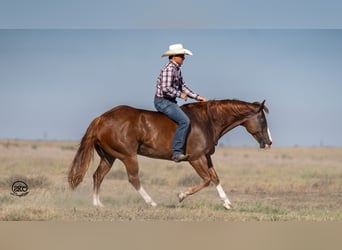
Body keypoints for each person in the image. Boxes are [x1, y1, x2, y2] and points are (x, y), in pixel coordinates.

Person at [154, 44, 206, 162]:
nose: (184, 58)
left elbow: (183, 86)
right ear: (174, 56)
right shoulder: (169, 69)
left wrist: (197, 97)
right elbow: (166, 88)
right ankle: (177, 152)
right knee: (184, 121)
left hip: (170, 101)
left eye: (183, 55)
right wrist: (180, 94)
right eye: (182, 56)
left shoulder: (177, 69)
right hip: (163, 102)